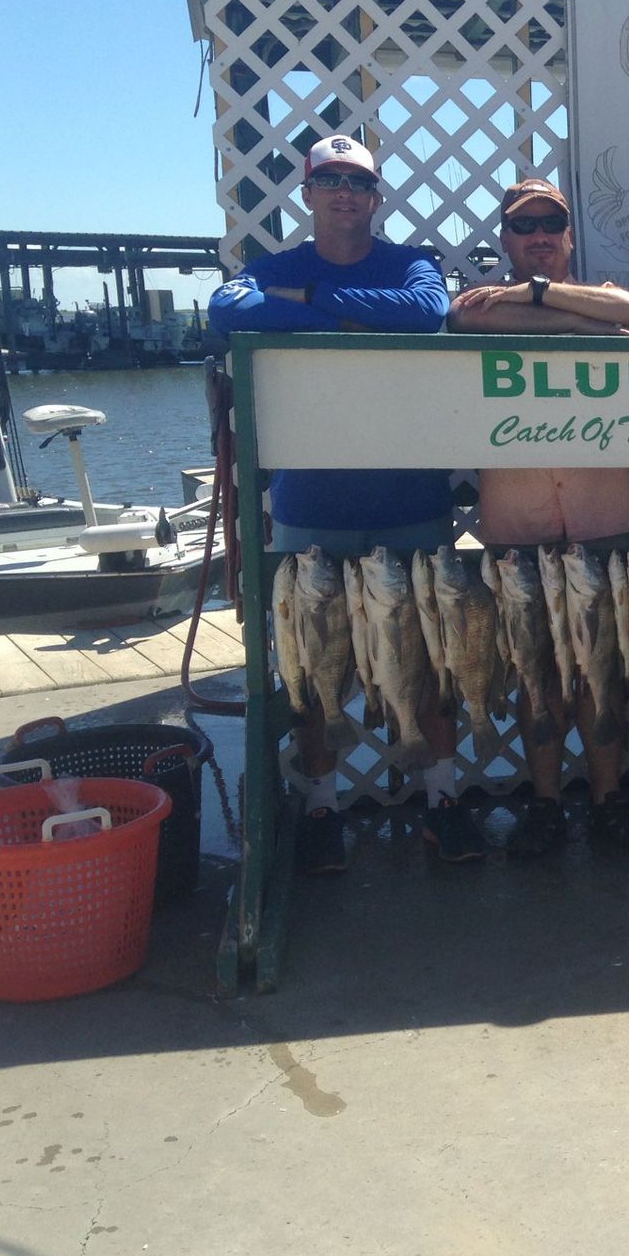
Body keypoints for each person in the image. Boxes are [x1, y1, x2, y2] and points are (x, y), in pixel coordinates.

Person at [207, 134, 462, 873]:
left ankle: (442, 797)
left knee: (429, 662)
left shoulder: (409, 262)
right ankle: (321, 806)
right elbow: (230, 314)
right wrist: (346, 316)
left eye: (359, 181)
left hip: (409, 497)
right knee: (314, 671)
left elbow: (423, 313)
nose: (345, 192)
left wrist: (311, 304)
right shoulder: (267, 268)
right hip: (310, 503)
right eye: (331, 180)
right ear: (309, 193)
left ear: (376, 197)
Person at [447, 177, 629, 855]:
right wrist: (573, 322)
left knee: (605, 674)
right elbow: (464, 318)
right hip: (520, 526)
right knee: (537, 677)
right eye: (524, 226)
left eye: (551, 224)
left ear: (569, 236)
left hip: (606, 519)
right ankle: (544, 804)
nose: (538, 236)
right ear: (506, 239)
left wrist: (539, 300)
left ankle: (608, 798)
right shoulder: (484, 300)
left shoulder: (603, 292)